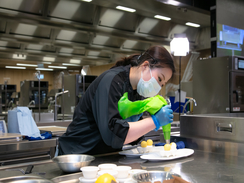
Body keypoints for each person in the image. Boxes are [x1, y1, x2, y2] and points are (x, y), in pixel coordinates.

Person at [58, 45, 175, 155]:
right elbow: (111, 135)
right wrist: (154, 121)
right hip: (77, 155)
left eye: (162, 84)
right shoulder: (112, 81)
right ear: (145, 66)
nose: (158, 86)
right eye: (159, 79)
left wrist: (137, 123)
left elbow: (128, 139)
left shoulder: (137, 92)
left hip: (103, 157)